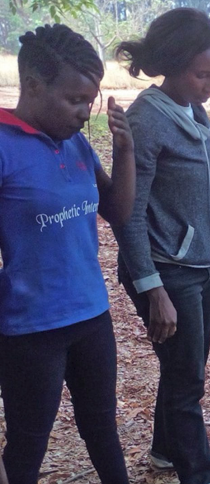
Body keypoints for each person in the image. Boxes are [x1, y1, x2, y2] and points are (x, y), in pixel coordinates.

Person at [0, 24, 134, 484]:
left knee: (102, 429)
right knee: (28, 442)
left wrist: (124, 150)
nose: (84, 113)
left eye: (89, 101)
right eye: (75, 100)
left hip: (91, 315)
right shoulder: (3, 145)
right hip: (31, 328)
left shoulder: (75, 142)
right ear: (33, 86)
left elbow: (117, 211)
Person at [112, 9, 210, 483]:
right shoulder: (146, 121)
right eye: (202, 75)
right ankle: (197, 473)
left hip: (201, 265)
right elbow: (128, 212)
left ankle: (165, 450)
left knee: (185, 368)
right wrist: (151, 287)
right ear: (173, 65)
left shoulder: (194, 110)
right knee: (187, 383)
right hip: (166, 270)